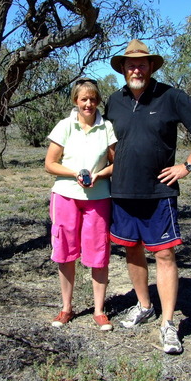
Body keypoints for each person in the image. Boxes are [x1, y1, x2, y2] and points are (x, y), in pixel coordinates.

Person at [104, 39, 191, 353]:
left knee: (165, 254)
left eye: (142, 64)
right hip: (122, 191)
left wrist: (187, 165)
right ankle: (144, 305)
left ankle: (168, 325)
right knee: (131, 249)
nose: (136, 69)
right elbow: (108, 141)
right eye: (131, 64)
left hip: (159, 192)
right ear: (123, 69)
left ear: (151, 66)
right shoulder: (114, 101)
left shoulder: (171, 96)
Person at [45, 78, 117, 331]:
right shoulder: (65, 126)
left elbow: (116, 162)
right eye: (83, 99)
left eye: (93, 99)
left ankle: (99, 310)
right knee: (65, 252)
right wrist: (73, 173)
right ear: (75, 100)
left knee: (99, 252)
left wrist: (100, 175)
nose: (89, 104)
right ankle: (66, 308)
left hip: (98, 198)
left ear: (98, 101)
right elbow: (50, 163)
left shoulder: (106, 127)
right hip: (65, 195)